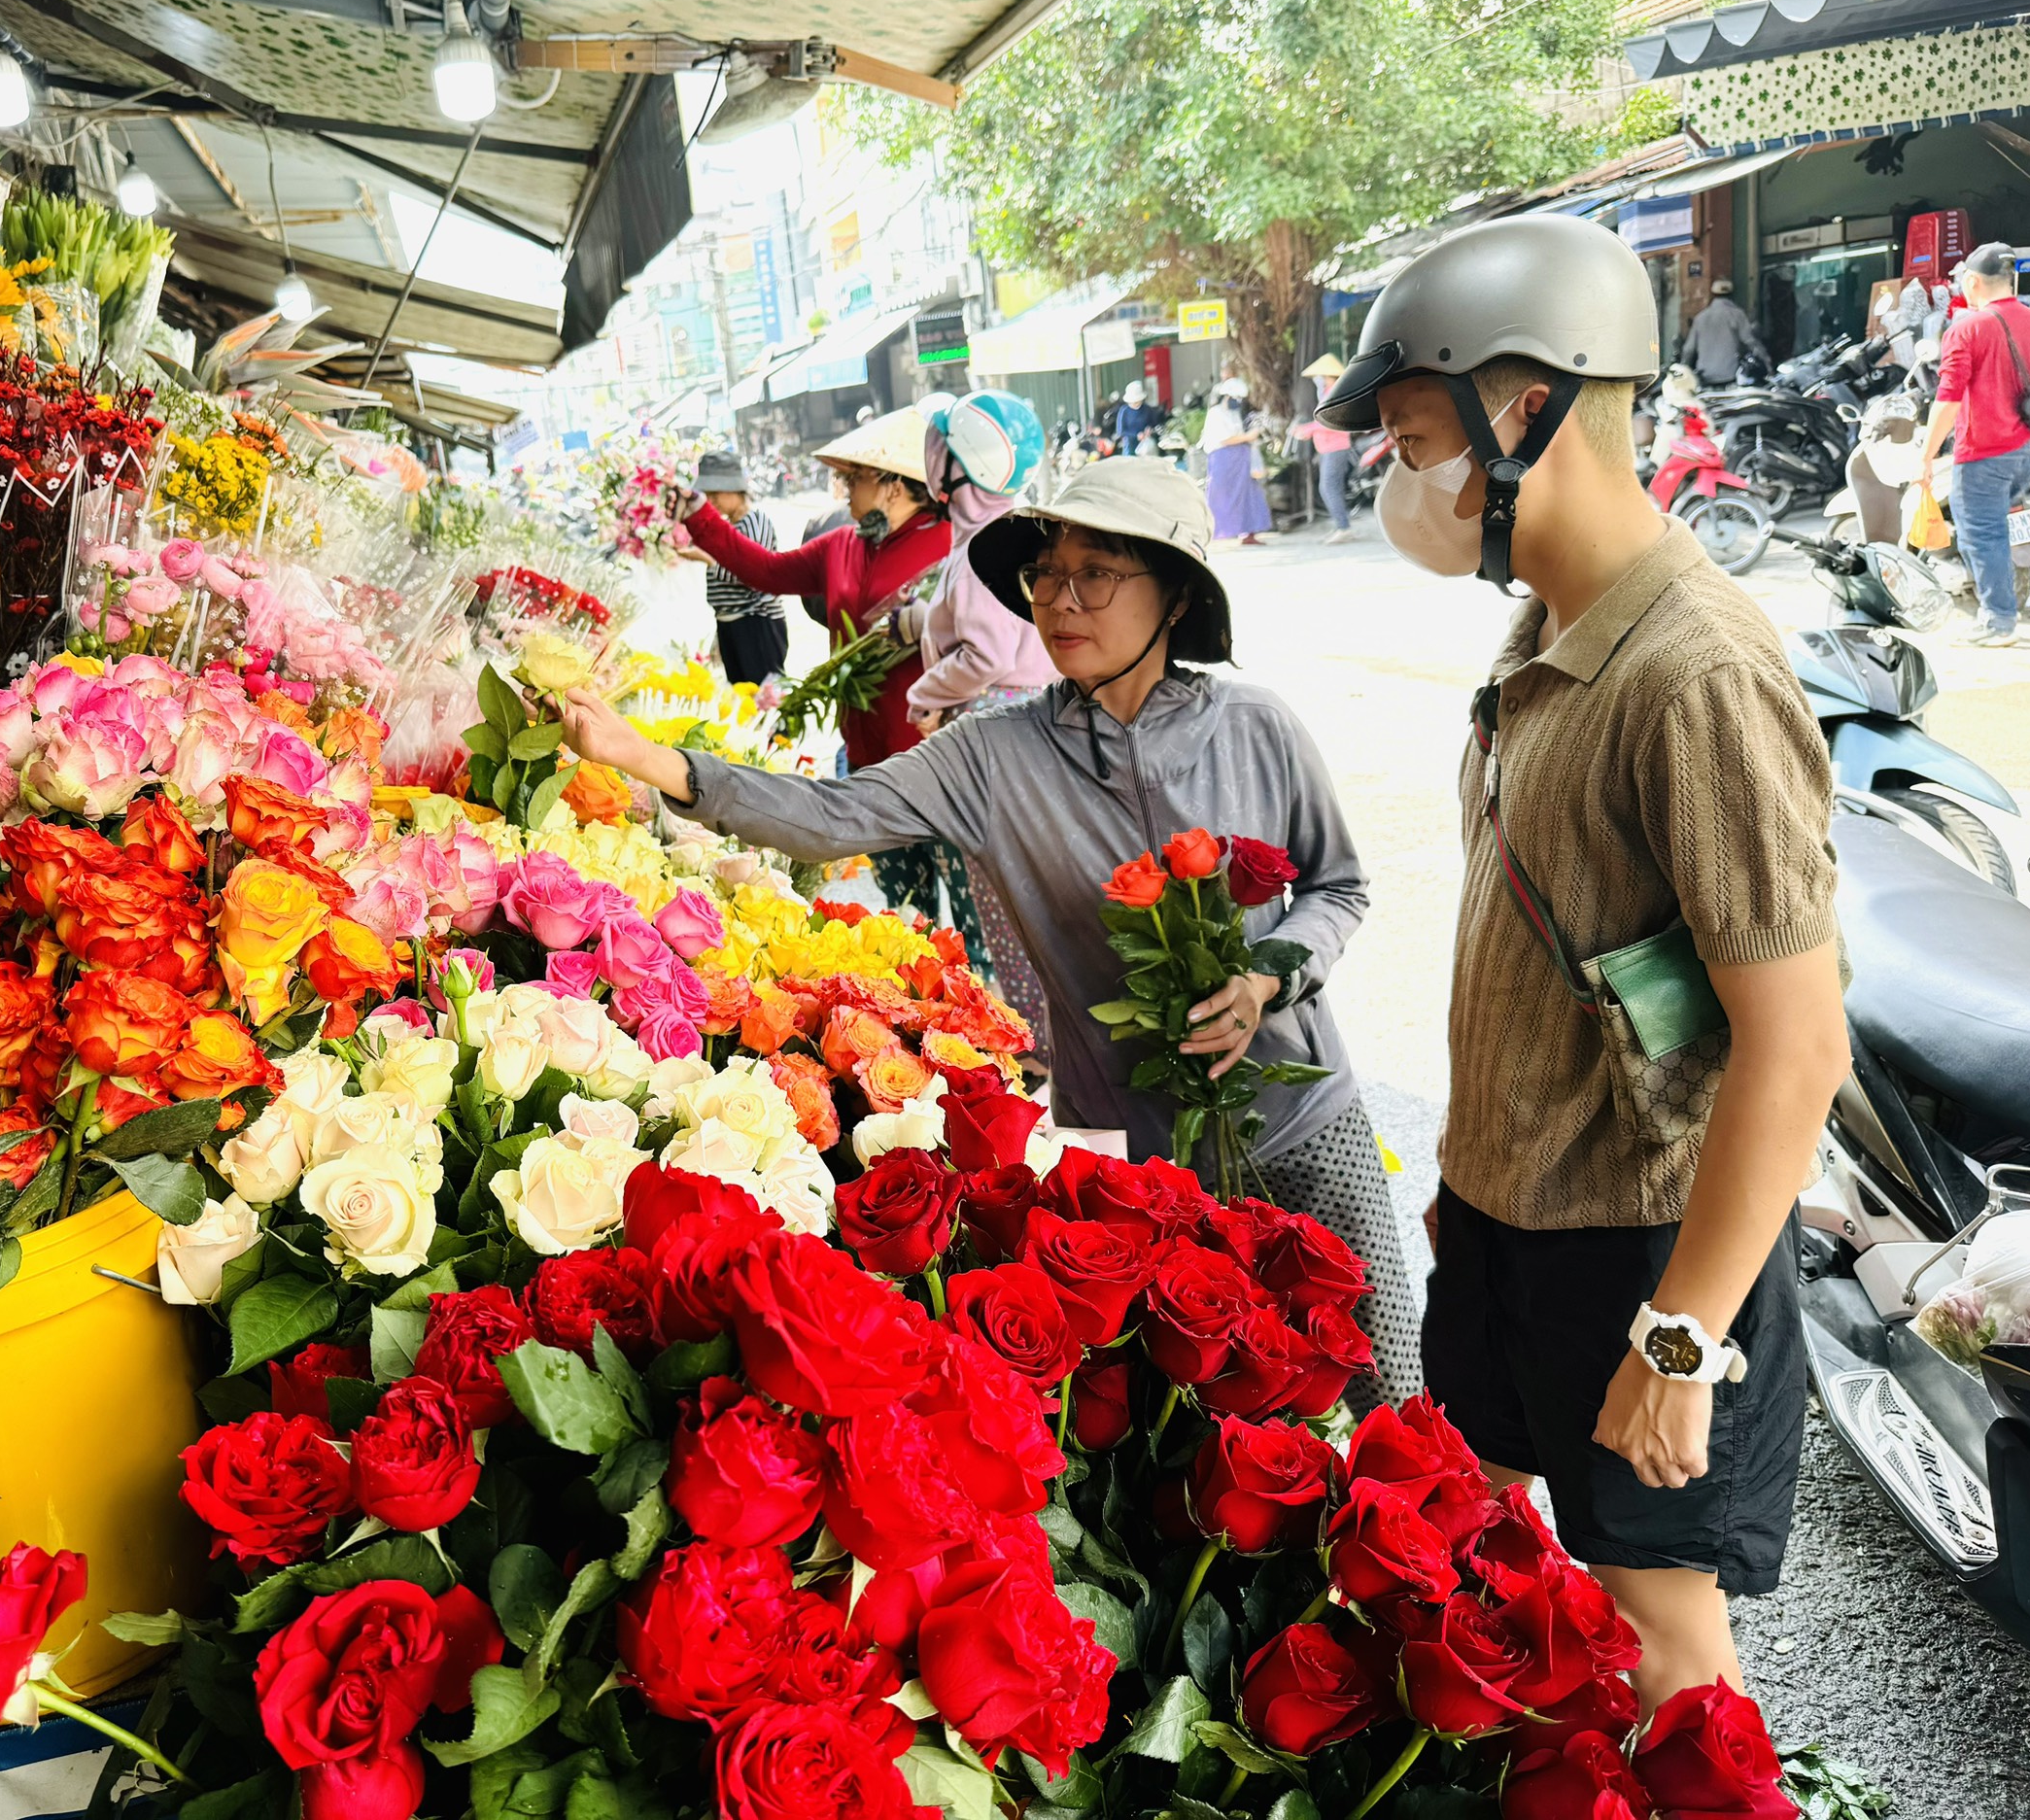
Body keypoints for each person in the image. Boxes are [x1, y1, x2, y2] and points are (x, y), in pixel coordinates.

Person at [561, 455, 1424, 1410]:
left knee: (1387, 1392)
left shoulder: (1257, 727)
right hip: (1141, 1166)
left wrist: (1265, 977)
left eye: (1096, 574)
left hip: (1304, 1122)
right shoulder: (992, 755)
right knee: (1209, 1423)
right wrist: (643, 757)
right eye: (1046, 574)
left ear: (1176, 596)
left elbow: (1337, 885)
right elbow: (830, 816)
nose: (1060, 601)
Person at [1323, 214, 1848, 1710]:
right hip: (1508, 1220)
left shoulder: (1697, 672)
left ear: (1525, 411)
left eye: (1414, 440)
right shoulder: (1543, 632)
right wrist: (1477, 1171)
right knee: (1474, 1560)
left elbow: (1798, 1042)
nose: (1398, 480)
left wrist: (1680, 1342)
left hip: (1644, 1249)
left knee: (1664, 1639)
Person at [671, 406, 959, 915]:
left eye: (855, 478)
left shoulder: (952, 546)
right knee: (908, 909)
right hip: (870, 760)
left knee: (969, 910)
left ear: (894, 486)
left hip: (939, 756)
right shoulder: (844, 545)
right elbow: (766, 570)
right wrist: (700, 514)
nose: (844, 489)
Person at [901, 391, 1060, 1056]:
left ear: (957, 466)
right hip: (1037, 725)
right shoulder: (1018, 531)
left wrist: (924, 694)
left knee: (1005, 904)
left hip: (995, 734)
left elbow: (987, 656)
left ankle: (1039, 1046)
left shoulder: (979, 552)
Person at [1917, 241, 2030, 647]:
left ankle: (1998, 621)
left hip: (1985, 454)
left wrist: (1926, 456)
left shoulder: (1967, 328)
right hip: (2029, 450)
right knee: (2006, 527)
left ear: (1971, 281)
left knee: (1983, 535)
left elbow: (1948, 398)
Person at [680, 450, 790, 685]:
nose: (710, 501)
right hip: (731, 623)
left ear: (734, 489)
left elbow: (753, 575)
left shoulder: (755, 522)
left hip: (756, 622)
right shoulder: (729, 527)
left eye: (715, 493)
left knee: (765, 696)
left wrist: (707, 559)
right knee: (742, 696)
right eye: (707, 494)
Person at [1292, 351, 1357, 542]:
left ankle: (1343, 528)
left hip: (1335, 448)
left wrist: (1307, 429)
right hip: (1329, 448)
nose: (1317, 380)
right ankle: (1342, 526)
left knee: (1328, 488)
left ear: (1328, 376)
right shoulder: (1330, 393)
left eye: (1319, 377)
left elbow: (1330, 422)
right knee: (1331, 488)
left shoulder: (1335, 394)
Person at [1202, 377, 1271, 542]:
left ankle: (1249, 533)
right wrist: (1248, 436)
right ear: (1227, 396)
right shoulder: (1216, 413)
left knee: (1249, 495)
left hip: (1240, 460)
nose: (1239, 402)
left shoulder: (1234, 414)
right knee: (1220, 496)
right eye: (1236, 398)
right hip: (1222, 460)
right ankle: (1214, 532)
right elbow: (1224, 439)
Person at [1684, 277, 1767, 388]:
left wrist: (1683, 370)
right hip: (1729, 375)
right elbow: (1750, 341)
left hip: (1704, 376)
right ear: (1732, 295)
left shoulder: (1701, 317)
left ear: (1712, 295)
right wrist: (1767, 363)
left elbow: (1688, 350)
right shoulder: (1737, 315)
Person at [1113, 378, 1163, 455]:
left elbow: (1153, 423)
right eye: (1133, 402)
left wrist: (1149, 429)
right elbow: (1120, 431)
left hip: (1145, 446)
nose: (1135, 404)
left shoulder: (1147, 409)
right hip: (1130, 446)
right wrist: (1136, 435)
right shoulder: (1124, 411)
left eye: (1137, 402)